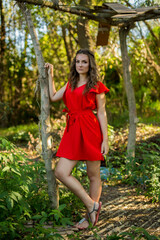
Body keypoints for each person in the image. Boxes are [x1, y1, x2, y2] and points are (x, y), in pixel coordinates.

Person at [44, 49, 109, 230]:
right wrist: (51, 75)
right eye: (78, 61)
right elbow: (53, 96)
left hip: (90, 129)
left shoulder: (96, 85)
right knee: (61, 172)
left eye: (84, 62)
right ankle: (92, 205)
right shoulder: (70, 82)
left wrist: (105, 139)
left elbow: (102, 113)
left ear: (90, 65)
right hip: (72, 130)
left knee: (93, 175)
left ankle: (90, 217)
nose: (80, 65)